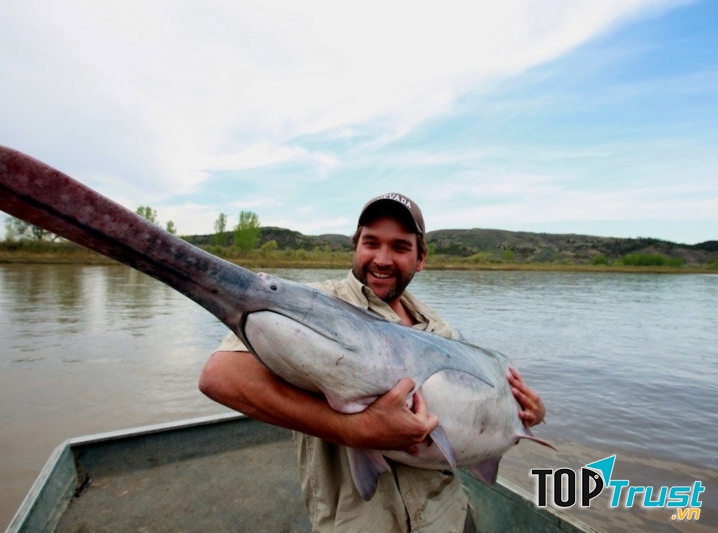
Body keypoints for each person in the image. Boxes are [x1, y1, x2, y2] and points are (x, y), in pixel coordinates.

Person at [199, 193, 545, 532]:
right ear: (356, 246)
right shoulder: (307, 306)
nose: (382, 258)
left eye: (400, 247)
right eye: (371, 242)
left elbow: (479, 424)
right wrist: (355, 430)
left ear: (420, 259)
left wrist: (527, 416)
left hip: (445, 517)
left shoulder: (440, 329)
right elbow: (221, 377)